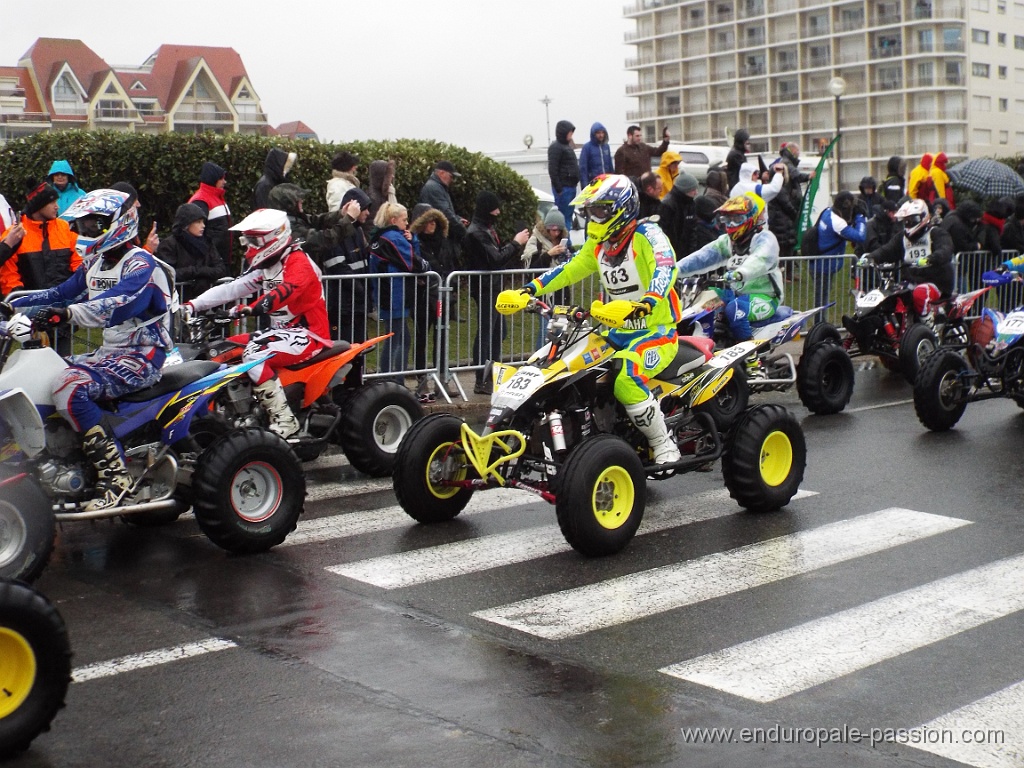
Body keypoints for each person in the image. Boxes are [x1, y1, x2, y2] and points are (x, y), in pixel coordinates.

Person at [498, 174, 683, 464]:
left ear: (620, 208)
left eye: (600, 210)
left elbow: (665, 268)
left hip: (656, 330)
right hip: (615, 328)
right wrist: (529, 289)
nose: (594, 218)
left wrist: (648, 302)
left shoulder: (648, 236)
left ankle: (663, 443)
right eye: (590, 211)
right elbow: (570, 269)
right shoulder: (598, 244)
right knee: (559, 364)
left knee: (627, 378)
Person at [6, 189, 172, 512]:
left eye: (92, 226)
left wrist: (65, 315)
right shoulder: (96, 261)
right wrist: (13, 304)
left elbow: (117, 305)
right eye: (82, 226)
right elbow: (60, 292)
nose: (84, 232)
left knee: (68, 386)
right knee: (45, 373)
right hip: (110, 353)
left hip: (143, 356)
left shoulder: (142, 264)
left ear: (117, 223)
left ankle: (116, 476)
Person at [183, 208, 330, 439]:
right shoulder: (269, 266)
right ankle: (237, 414)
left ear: (274, 237)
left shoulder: (299, 263)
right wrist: (192, 306)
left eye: (254, 241)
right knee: (223, 349)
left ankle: (285, 421)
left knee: (254, 353)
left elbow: (283, 292)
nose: (250, 248)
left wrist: (245, 309)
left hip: (309, 335)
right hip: (282, 334)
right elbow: (234, 287)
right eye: (248, 240)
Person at [677, 193, 783, 342]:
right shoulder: (727, 242)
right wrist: (675, 269)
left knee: (735, 309)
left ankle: (751, 360)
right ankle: (705, 343)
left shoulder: (764, 238)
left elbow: (760, 259)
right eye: (727, 219)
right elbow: (703, 257)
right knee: (702, 300)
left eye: (737, 219)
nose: (731, 225)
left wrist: (740, 273)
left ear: (750, 219)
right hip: (736, 294)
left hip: (765, 297)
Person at [463, 190, 529, 394]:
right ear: (487, 210)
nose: (499, 212)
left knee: (498, 331)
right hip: (484, 288)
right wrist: (516, 243)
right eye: (495, 209)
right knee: (486, 332)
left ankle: (494, 373)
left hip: (493, 287)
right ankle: (481, 378)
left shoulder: (486, 229)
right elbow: (495, 258)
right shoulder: (477, 232)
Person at [858, 198, 954, 321]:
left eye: (912, 220)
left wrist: (931, 259)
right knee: (891, 295)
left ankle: (929, 329)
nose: (909, 223)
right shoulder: (902, 238)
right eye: (906, 221)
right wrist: (870, 258)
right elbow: (886, 251)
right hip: (912, 280)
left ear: (923, 217)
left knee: (920, 293)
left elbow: (945, 249)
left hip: (937, 282)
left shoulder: (936, 233)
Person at [369, 202, 425, 387]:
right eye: (404, 219)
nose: (407, 224)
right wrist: (414, 243)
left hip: (388, 294)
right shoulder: (393, 238)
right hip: (395, 295)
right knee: (397, 340)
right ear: (393, 220)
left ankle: (391, 379)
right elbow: (414, 263)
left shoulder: (379, 237)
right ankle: (391, 381)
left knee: (397, 338)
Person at [0, 182, 80, 297]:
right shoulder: (15, 234)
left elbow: (79, 263)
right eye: (52, 202)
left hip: (66, 302)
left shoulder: (64, 228)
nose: (57, 206)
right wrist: (20, 300)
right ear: (39, 206)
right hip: (28, 304)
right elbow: (8, 275)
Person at [409, 204, 454, 401]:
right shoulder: (415, 243)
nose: (432, 225)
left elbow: (450, 263)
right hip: (422, 296)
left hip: (442, 294)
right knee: (421, 339)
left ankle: (442, 380)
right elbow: (420, 265)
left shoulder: (443, 241)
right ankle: (421, 382)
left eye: (435, 221)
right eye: (428, 221)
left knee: (442, 338)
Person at [267, 183, 364, 270]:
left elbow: (316, 220)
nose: (302, 201)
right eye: (297, 199)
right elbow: (322, 240)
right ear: (288, 204)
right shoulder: (286, 227)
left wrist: (341, 214)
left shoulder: (295, 218)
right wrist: (349, 219)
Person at [325, 188, 373, 344]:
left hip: (357, 304)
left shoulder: (358, 231)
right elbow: (337, 265)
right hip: (342, 307)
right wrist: (360, 290)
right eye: (364, 209)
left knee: (360, 350)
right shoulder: (337, 231)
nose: (367, 213)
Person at [154, 203, 227, 304]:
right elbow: (167, 274)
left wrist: (202, 275)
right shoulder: (170, 244)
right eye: (198, 222)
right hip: (177, 302)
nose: (203, 226)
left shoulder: (207, 243)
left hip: (203, 304)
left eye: (203, 222)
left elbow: (221, 269)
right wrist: (195, 272)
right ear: (186, 225)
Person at [520, 207, 571, 347]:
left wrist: (565, 255)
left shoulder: (563, 240)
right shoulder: (536, 240)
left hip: (560, 291)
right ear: (546, 228)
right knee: (545, 331)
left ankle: (554, 361)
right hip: (544, 293)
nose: (555, 233)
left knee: (560, 331)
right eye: (552, 230)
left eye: (558, 230)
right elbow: (531, 270)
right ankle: (539, 360)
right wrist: (548, 255)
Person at [811, 191, 866, 317]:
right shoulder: (837, 222)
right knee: (821, 300)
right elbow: (860, 236)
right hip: (823, 266)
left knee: (821, 298)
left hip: (818, 262)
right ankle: (818, 327)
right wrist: (860, 218)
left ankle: (819, 325)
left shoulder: (828, 212)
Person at [187, 162, 232, 266]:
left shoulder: (217, 198)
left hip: (220, 260)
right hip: (211, 263)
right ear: (213, 179)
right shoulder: (201, 200)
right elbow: (195, 233)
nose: (224, 182)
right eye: (221, 178)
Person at [419, 160, 467, 245]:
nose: (452, 180)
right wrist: (463, 231)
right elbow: (445, 213)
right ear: (441, 173)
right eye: (451, 176)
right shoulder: (434, 188)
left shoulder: (438, 187)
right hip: (438, 239)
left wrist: (458, 219)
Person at [109, 182, 159, 254]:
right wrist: (148, 250)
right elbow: (122, 262)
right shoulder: (115, 235)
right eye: (134, 200)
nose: (139, 204)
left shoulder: (128, 229)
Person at [548, 120, 580, 230]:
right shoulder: (556, 147)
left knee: (568, 216)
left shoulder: (566, 147)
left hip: (570, 187)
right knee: (564, 218)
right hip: (564, 189)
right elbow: (553, 169)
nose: (571, 136)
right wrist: (559, 189)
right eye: (570, 133)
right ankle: (566, 242)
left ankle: (567, 241)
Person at [657, 172, 699, 256]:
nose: (696, 192)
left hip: (686, 253)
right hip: (671, 252)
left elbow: (693, 230)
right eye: (693, 190)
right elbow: (663, 232)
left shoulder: (690, 203)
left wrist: (692, 252)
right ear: (685, 190)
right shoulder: (667, 205)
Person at [578, 122, 613, 187]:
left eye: (602, 133)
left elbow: (610, 165)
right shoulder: (587, 147)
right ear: (593, 134)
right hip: (593, 183)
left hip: (606, 182)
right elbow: (583, 169)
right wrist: (584, 186)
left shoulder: (606, 147)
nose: (601, 135)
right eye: (598, 133)